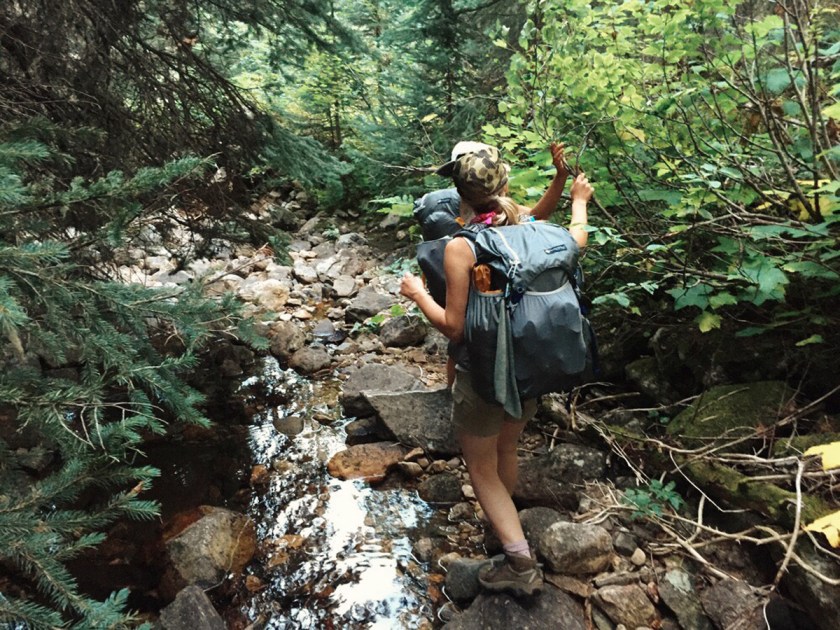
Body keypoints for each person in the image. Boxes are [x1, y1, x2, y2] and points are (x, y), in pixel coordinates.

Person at [400, 144, 594, 597]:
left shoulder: (461, 245)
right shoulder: (533, 231)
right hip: (531, 364)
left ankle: (520, 563)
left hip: (486, 374)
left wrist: (416, 294)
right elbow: (577, 239)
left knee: (481, 469)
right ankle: (503, 532)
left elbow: (453, 327)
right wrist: (578, 200)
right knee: (506, 450)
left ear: (460, 196)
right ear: (505, 187)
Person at [415, 140, 574, 386]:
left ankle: (459, 399)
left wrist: (417, 293)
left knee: (461, 350)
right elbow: (537, 219)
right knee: (460, 350)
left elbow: (534, 215)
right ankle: (458, 395)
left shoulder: (489, 209)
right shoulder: (465, 211)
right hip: (485, 305)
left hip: (489, 308)